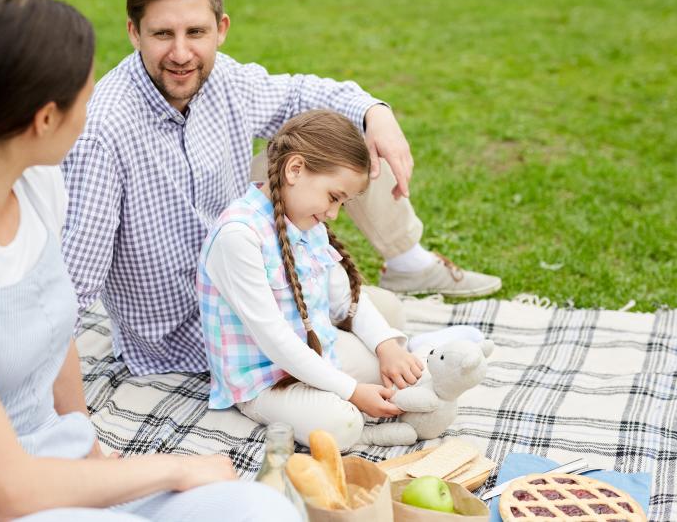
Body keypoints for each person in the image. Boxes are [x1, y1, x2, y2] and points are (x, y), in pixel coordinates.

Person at [0, 0, 298, 522]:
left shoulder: (37, 184)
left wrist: (85, 443)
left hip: (58, 468)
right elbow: (7, 491)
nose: (96, 111)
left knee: (260, 510)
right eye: (86, 99)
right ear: (46, 119)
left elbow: (57, 321)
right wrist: (176, 468)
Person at [61, 0, 500, 376]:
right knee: (373, 354)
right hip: (194, 331)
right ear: (134, 32)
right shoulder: (101, 131)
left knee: (344, 147)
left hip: (259, 273)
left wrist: (374, 112)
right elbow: (75, 279)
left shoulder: (223, 78)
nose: (180, 53)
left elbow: (297, 95)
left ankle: (408, 263)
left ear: (221, 29)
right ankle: (430, 357)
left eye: (195, 32)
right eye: (162, 35)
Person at [197, 110, 485, 450]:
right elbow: (275, 340)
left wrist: (385, 347)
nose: (334, 213)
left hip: (319, 350)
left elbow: (346, 297)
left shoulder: (305, 222)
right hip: (265, 381)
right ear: (295, 169)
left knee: (400, 375)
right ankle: (363, 430)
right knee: (341, 423)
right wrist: (350, 391)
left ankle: (415, 350)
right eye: (334, 197)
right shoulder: (239, 236)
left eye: (342, 202)